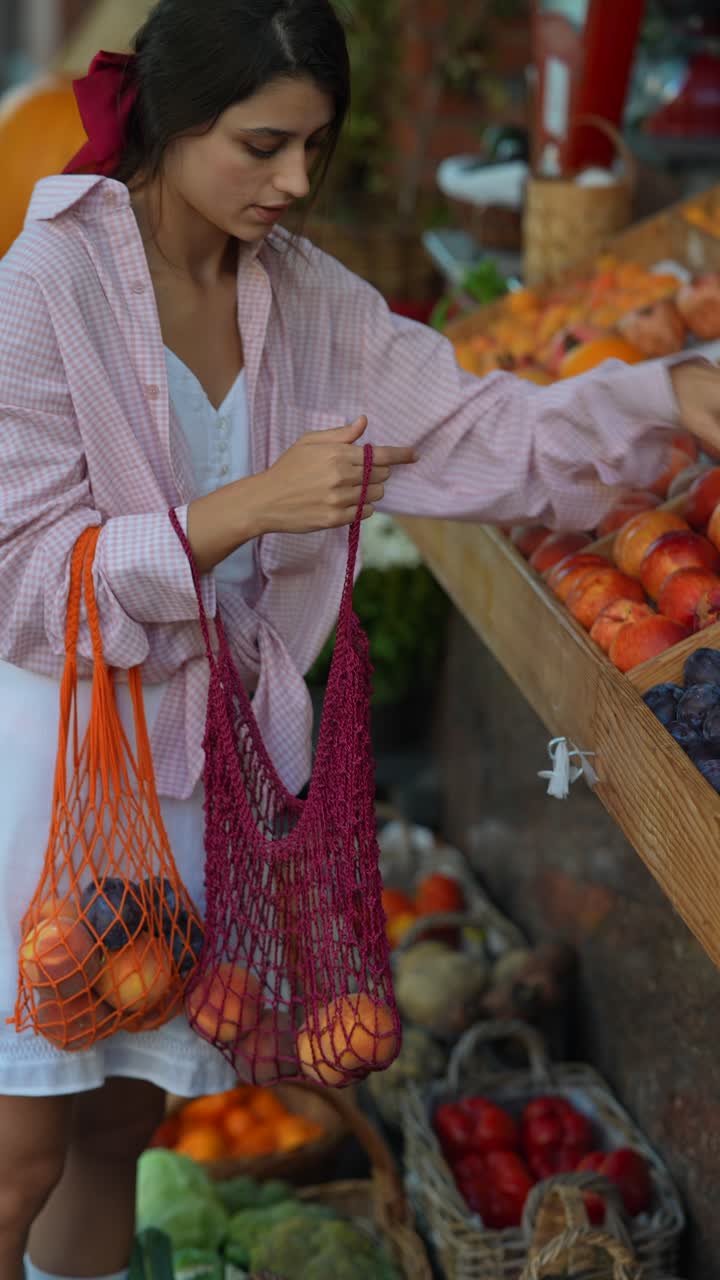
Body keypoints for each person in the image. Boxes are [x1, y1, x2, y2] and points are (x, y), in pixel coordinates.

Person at [1, 2, 719, 1277]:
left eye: (313, 149)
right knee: (15, 1149)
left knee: (118, 1119)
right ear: (172, 121)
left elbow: (482, 431)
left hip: (199, 780)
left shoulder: (312, 302)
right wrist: (246, 510)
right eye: (261, 144)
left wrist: (661, 393)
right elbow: (21, 575)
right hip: (55, 774)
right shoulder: (44, 289)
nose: (291, 183)